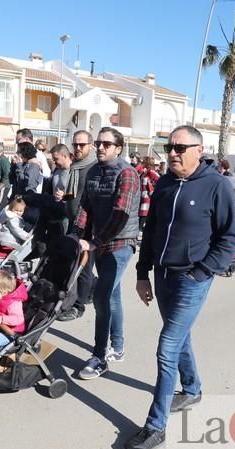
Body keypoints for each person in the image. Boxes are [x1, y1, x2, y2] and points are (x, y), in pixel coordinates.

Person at [124, 125, 235, 449]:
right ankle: (192, 388)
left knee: (167, 346)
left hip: (192, 278)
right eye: (169, 147)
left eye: (179, 148)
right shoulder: (164, 183)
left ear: (199, 150)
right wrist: (142, 272)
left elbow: (230, 238)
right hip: (162, 275)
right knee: (180, 334)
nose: (172, 153)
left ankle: (155, 426)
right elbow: (152, 231)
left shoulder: (217, 185)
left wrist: (202, 272)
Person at [73, 127, 140, 380]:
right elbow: (85, 207)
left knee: (101, 296)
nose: (100, 147)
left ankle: (99, 356)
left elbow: (120, 216)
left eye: (107, 144)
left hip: (120, 243)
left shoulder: (127, 173)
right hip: (99, 243)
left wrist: (95, 241)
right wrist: (78, 234)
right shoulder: (93, 171)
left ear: (119, 148)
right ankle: (119, 347)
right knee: (112, 296)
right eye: (99, 143)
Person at [57, 130, 98, 322]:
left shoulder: (94, 167)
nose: (78, 148)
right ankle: (86, 293)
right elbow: (75, 194)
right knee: (74, 265)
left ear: (91, 145)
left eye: (82, 144)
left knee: (83, 267)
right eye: (75, 144)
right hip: (74, 222)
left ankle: (79, 306)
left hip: (89, 226)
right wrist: (63, 197)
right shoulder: (75, 166)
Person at [138, 156, 160, 234]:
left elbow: (159, 180)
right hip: (142, 193)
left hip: (147, 194)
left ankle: (140, 230)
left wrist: (152, 188)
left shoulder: (151, 172)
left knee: (144, 212)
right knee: (143, 212)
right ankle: (141, 229)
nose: (142, 163)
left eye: (144, 161)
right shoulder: (145, 172)